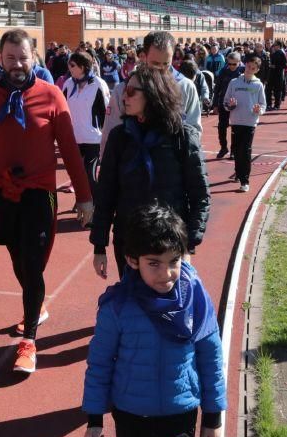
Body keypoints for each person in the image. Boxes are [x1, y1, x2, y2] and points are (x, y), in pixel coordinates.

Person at [82, 203, 226, 437]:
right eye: (154, 264)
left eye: (173, 261)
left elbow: (210, 356)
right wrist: (94, 416)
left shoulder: (195, 299)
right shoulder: (117, 306)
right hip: (131, 416)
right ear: (132, 261)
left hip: (179, 414)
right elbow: (100, 362)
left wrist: (214, 416)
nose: (166, 273)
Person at [0, 29, 94, 374]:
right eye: (10, 58)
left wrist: (84, 197)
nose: (17, 65)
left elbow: (70, 150)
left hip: (38, 194)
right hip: (0, 194)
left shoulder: (51, 95)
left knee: (32, 265)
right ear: (1, 59)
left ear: (33, 57)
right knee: (18, 259)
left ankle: (29, 340)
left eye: (22, 58)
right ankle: (36, 305)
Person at [91, 65, 209, 281]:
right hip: (129, 243)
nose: (124, 96)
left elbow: (200, 195)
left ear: (153, 94)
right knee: (133, 306)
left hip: (169, 244)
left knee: (166, 308)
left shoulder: (182, 137)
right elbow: (106, 193)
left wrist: (189, 245)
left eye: (131, 91)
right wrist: (99, 246)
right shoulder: (120, 136)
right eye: (126, 88)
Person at [62, 51, 110, 202]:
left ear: (83, 67)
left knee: (90, 173)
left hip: (93, 138)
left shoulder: (98, 84)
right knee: (76, 174)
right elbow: (62, 108)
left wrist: (106, 135)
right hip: (74, 137)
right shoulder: (68, 84)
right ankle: (82, 201)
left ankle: (95, 205)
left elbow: (106, 112)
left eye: (73, 65)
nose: (69, 68)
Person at [223, 55, 266, 193]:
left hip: (250, 122)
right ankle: (238, 172)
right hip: (236, 121)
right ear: (245, 65)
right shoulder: (234, 82)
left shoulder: (258, 85)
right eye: (248, 66)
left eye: (253, 68)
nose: (249, 70)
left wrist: (259, 110)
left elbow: (263, 105)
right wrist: (230, 105)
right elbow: (225, 102)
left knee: (246, 151)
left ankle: (244, 181)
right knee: (236, 149)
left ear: (257, 70)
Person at [211, 52, 244, 159]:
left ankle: (234, 151)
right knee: (221, 127)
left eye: (234, 64)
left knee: (235, 128)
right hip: (224, 102)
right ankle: (223, 147)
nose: (231, 66)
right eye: (229, 64)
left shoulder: (243, 72)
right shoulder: (224, 71)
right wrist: (215, 104)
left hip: (238, 104)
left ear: (239, 62)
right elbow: (217, 88)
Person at [266, 41, 287, 111]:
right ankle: (269, 104)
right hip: (271, 74)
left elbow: (285, 65)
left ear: (279, 46)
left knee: (277, 90)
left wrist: (275, 66)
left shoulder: (282, 53)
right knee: (268, 89)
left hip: (278, 74)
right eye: (274, 45)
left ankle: (277, 105)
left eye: (275, 45)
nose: (274, 46)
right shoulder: (273, 53)